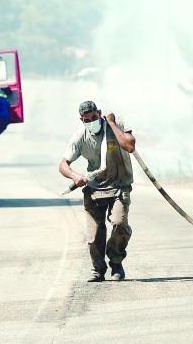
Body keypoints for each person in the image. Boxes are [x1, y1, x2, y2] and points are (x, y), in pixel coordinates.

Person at [58, 100, 136, 282]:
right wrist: (75, 176)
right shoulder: (80, 136)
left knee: (119, 223)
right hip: (94, 189)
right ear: (82, 120)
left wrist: (112, 124)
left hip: (119, 186)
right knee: (94, 234)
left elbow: (130, 146)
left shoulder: (115, 123)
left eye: (94, 117)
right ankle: (98, 270)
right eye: (87, 119)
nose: (91, 121)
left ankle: (116, 262)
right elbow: (63, 165)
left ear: (99, 113)